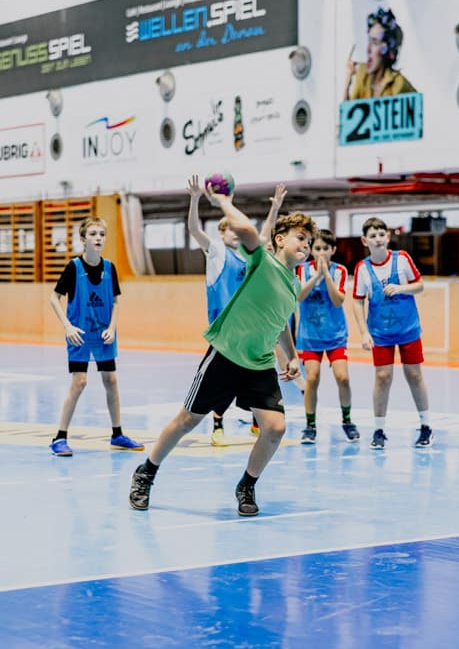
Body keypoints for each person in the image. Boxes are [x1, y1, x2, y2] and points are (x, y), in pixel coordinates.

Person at [129, 174, 317, 516]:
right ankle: (146, 472)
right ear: (279, 239)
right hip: (227, 354)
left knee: (275, 428)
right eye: (300, 238)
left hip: (260, 363)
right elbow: (246, 231)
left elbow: (279, 323)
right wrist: (223, 201)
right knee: (188, 420)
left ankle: (246, 485)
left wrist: (291, 356)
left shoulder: (293, 284)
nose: (306, 244)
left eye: (310, 241)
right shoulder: (262, 262)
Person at [188, 179, 287, 444]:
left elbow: (263, 236)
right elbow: (194, 229)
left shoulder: (249, 256)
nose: (235, 233)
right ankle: (217, 424)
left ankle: (257, 421)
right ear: (221, 233)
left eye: (236, 229)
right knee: (222, 382)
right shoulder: (216, 252)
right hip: (226, 331)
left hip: (251, 328)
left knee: (256, 373)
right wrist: (195, 199)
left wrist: (275, 208)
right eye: (229, 229)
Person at [49, 216, 144, 456]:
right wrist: (67, 327)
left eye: (101, 234)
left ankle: (117, 434)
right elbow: (54, 298)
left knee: (111, 380)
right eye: (92, 234)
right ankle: (59, 438)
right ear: (83, 240)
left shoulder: (110, 268)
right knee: (79, 382)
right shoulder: (74, 267)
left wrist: (112, 327)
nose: (98, 238)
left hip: (103, 334)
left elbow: (116, 302)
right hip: (80, 335)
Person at [352, 217, 432, 450]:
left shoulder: (402, 259)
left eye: (381, 234)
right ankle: (379, 430)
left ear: (387, 237)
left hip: (408, 329)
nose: (378, 239)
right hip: (380, 333)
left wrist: (401, 288)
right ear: (364, 241)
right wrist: (363, 332)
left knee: (414, 375)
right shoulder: (362, 268)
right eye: (372, 235)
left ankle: (426, 426)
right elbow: (357, 301)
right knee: (383, 377)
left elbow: (420, 285)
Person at [296, 229, 359, 444]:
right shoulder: (302, 270)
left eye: (325, 248)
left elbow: (338, 301)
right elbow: (299, 296)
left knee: (343, 377)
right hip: (310, 336)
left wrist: (327, 275)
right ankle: (310, 425)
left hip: (335, 335)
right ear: (311, 250)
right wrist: (316, 276)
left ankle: (347, 421)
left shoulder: (339, 270)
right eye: (317, 248)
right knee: (312, 378)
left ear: (333, 250)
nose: (321, 252)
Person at [343, 7, 416, 101]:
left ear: (388, 50)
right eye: (369, 40)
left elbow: (416, 105)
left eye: (375, 42)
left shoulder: (398, 83)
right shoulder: (362, 73)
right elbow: (349, 109)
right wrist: (348, 80)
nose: (368, 49)